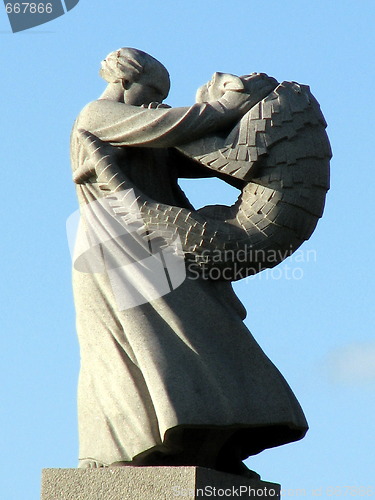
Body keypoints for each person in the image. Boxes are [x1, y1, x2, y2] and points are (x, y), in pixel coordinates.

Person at [70, 48, 308, 476]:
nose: (156, 102)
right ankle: (146, 446)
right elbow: (175, 124)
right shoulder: (98, 115)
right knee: (142, 344)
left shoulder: (144, 129)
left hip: (162, 241)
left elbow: (209, 153)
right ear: (126, 80)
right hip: (117, 246)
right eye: (153, 90)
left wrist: (262, 136)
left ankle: (211, 443)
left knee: (209, 333)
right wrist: (219, 107)